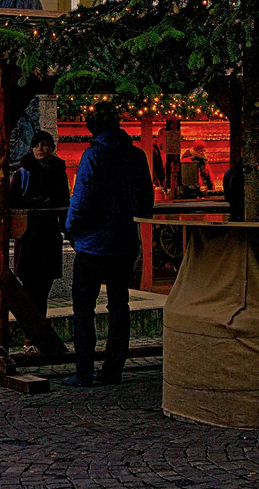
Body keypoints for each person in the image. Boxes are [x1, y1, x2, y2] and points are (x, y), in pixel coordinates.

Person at [64, 104, 153, 386]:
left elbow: (81, 200)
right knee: (119, 306)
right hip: (125, 241)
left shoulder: (93, 156)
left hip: (92, 245)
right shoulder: (136, 156)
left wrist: (70, 228)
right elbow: (147, 198)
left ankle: (84, 371)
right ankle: (113, 368)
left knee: (83, 310)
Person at [8, 132, 70, 311]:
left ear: (52, 147)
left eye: (45, 144)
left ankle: (37, 331)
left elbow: (64, 203)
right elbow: (13, 203)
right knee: (31, 287)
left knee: (43, 290)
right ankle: (32, 333)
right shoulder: (23, 173)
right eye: (37, 145)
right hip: (30, 239)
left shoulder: (58, 171)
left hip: (50, 236)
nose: (41, 149)